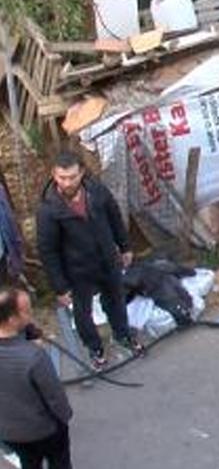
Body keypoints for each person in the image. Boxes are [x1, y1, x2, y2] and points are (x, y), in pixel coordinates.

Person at [37, 151, 143, 370]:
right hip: (77, 271)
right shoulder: (48, 210)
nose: (67, 183)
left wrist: (125, 247)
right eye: (62, 177)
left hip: (107, 260)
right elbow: (48, 251)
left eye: (72, 177)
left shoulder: (97, 191)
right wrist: (60, 287)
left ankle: (122, 335)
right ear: (54, 175)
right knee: (82, 314)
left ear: (82, 173)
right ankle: (95, 348)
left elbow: (114, 217)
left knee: (115, 300)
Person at [0, 287, 92, 469]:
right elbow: (54, 397)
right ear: (11, 319)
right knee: (59, 463)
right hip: (43, 428)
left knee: (30, 467)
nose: (31, 315)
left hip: (9, 430)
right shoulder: (33, 357)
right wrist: (65, 418)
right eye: (26, 311)